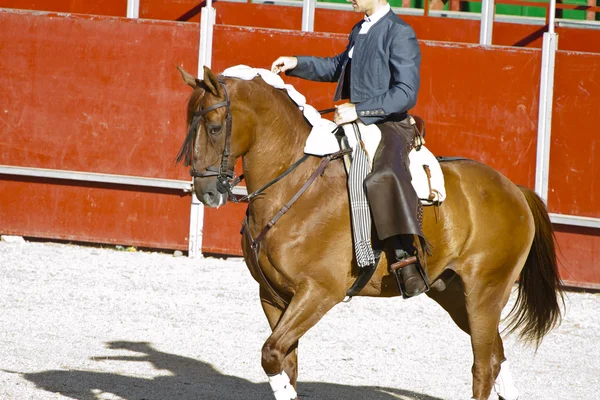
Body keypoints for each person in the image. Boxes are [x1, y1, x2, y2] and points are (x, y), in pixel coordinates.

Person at [271, 0, 429, 297]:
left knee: (384, 175)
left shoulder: (399, 32)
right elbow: (337, 66)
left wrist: (361, 110)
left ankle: (404, 257)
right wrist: (296, 62)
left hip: (388, 123)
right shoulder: (361, 29)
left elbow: (406, 92)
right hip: (356, 119)